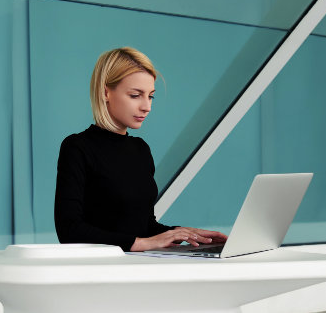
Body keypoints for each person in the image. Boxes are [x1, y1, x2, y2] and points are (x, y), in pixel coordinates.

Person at [54, 47, 227, 252]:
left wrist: (183, 233)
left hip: (139, 266)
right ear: (106, 92)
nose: (147, 107)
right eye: (136, 95)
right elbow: (69, 230)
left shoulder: (140, 150)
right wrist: (142, 243)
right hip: (101, 271)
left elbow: (143, 226)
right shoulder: (77, 147)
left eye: (151, 96)